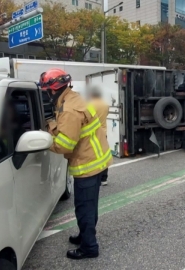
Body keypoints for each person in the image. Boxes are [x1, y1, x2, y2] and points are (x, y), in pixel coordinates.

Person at [40, 68, 112, 260]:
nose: (45, 94)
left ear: (53, 90)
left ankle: (89, 247)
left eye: (46, 90)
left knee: (84, 209)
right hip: (96, 159)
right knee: (90, 207)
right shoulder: (73, 98)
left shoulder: (69, 110)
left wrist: (47, 135)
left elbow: (65, 144)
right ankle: (85, 235)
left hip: (87, 164)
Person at [87, 85, 110, 186]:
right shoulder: (105, 104)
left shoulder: (88, 104)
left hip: (92, 134)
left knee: (93, 157)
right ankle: (104, 178)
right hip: (103, 133)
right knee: (103, 155)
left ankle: (94, 177)